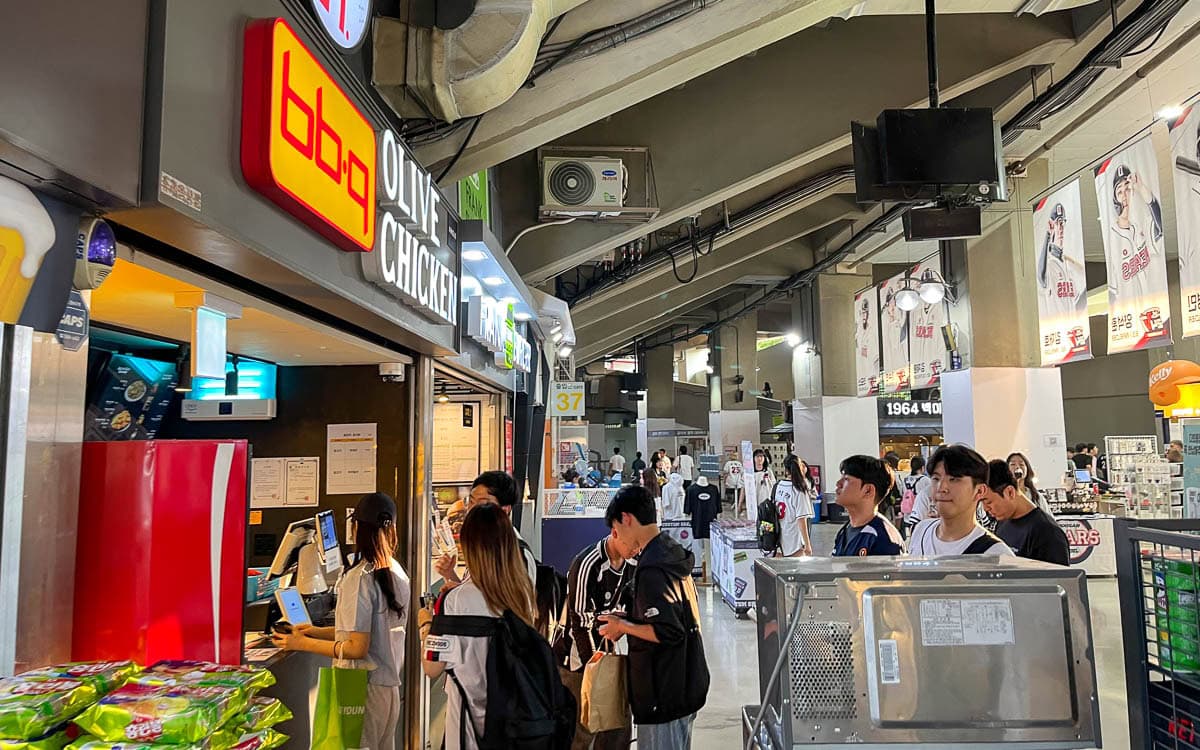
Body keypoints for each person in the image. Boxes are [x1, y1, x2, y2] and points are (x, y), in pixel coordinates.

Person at [274, 492, 410, 750]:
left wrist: (300, 643)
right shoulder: (394, 571)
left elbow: (357, 648)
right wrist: (315, 631)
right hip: (387, 688)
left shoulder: (360, 577)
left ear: (355, 527)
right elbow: (368, 631)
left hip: (360, 689)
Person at [598, 486, 709, 749]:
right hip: (685, 682)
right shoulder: (670, 550)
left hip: (663, 694)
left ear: (627, 518)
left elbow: (670, 631)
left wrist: (622, 626)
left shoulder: (652, 569)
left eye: (616, 528)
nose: (617, 537)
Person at [421, 503, 538, 750]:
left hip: (467, 728)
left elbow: (432, 667)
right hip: (513, 723)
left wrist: (426, 624)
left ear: (469, 547)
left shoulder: (453, 600)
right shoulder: (522, 594)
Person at [557, 534, 633, 750]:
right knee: (581, 729)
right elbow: (580, 623)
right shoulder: (587, 563)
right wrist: (595, 671)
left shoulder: (633, 562)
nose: (636, 548)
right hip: (578, 661)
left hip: (609, 654)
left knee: (618, 723)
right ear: (618, 529)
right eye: (633, 541)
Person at [908, 445, 1014, 557]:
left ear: (979, 491)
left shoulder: (996, 554)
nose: (941, 487)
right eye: (936, 478)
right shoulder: (921, 531)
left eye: (953, 479)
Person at [437, 471, 537, 586]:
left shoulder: (515, 553)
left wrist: (454, 594)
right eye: (471, 501)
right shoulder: (482, 543)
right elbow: (473, 594)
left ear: (505, 510)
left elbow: (509, 601)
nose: (472, 510)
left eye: (483, 504)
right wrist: (450, 575)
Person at [984, 460, 1069, 565]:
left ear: (1010, 492)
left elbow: (1059, 579)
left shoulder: (1047, 532)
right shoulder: (1002, 522)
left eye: (988, 502)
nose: (986, 508)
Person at [832, 456, 904, 557]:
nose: (838, 484)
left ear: (868, 490)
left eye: (846, 479)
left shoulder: (884, 540)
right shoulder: (846, 529)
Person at [772, 455, 815, 557]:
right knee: (796, 571)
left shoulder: (778, 486)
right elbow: (801, 519)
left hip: (778, 537)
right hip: (794, 541)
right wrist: (808, 545)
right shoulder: (799, 490)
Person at [1006, 452, 1055, 518]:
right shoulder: (1003, 495)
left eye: (1021, 464)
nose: (1017, 467)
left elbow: (1049, 520)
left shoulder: (1036, 496)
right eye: (1013, 464)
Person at [751, 449, 776, 518]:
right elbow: (744, 487)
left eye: (761, 456)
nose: (759, 459)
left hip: (766, 500)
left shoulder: (768, 471)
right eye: (757, 456)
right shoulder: (750, 472)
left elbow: (773, 485)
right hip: (754, 500)